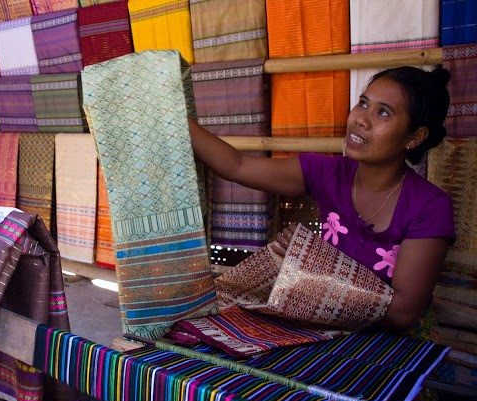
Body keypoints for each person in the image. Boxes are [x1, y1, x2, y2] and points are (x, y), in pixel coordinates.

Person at [188, 66, 455, 332]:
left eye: (383, 112)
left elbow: (402, 313)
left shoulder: (430, 206)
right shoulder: (329, 173)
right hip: (328, 331)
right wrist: (171, 115)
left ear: (415, 137)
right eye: (363, 103)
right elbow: (237, 166)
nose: (361, 119)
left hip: (393, 345)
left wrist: (312, 265)